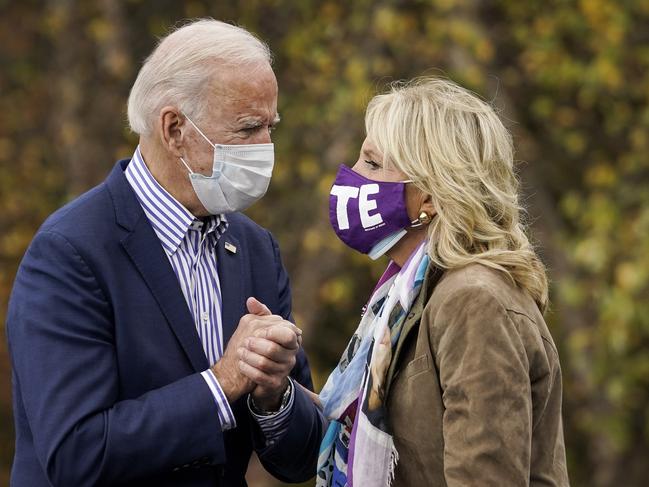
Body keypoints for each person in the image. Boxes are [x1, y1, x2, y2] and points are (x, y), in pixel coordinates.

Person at [6, 19, 324, 486]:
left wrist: (273, 395)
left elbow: (299, 460)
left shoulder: (255, 248)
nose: (266, 148)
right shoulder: (69, 252)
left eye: (270, 126)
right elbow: (76, 454)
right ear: (174, 129)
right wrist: (223, 382)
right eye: (249, 127)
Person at [319, 77, 570, 486]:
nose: (351, 176)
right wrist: (275, 392)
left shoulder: (473, 300)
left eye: (372, 163)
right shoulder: (407, 295)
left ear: (430, 197)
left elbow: (484, 475)